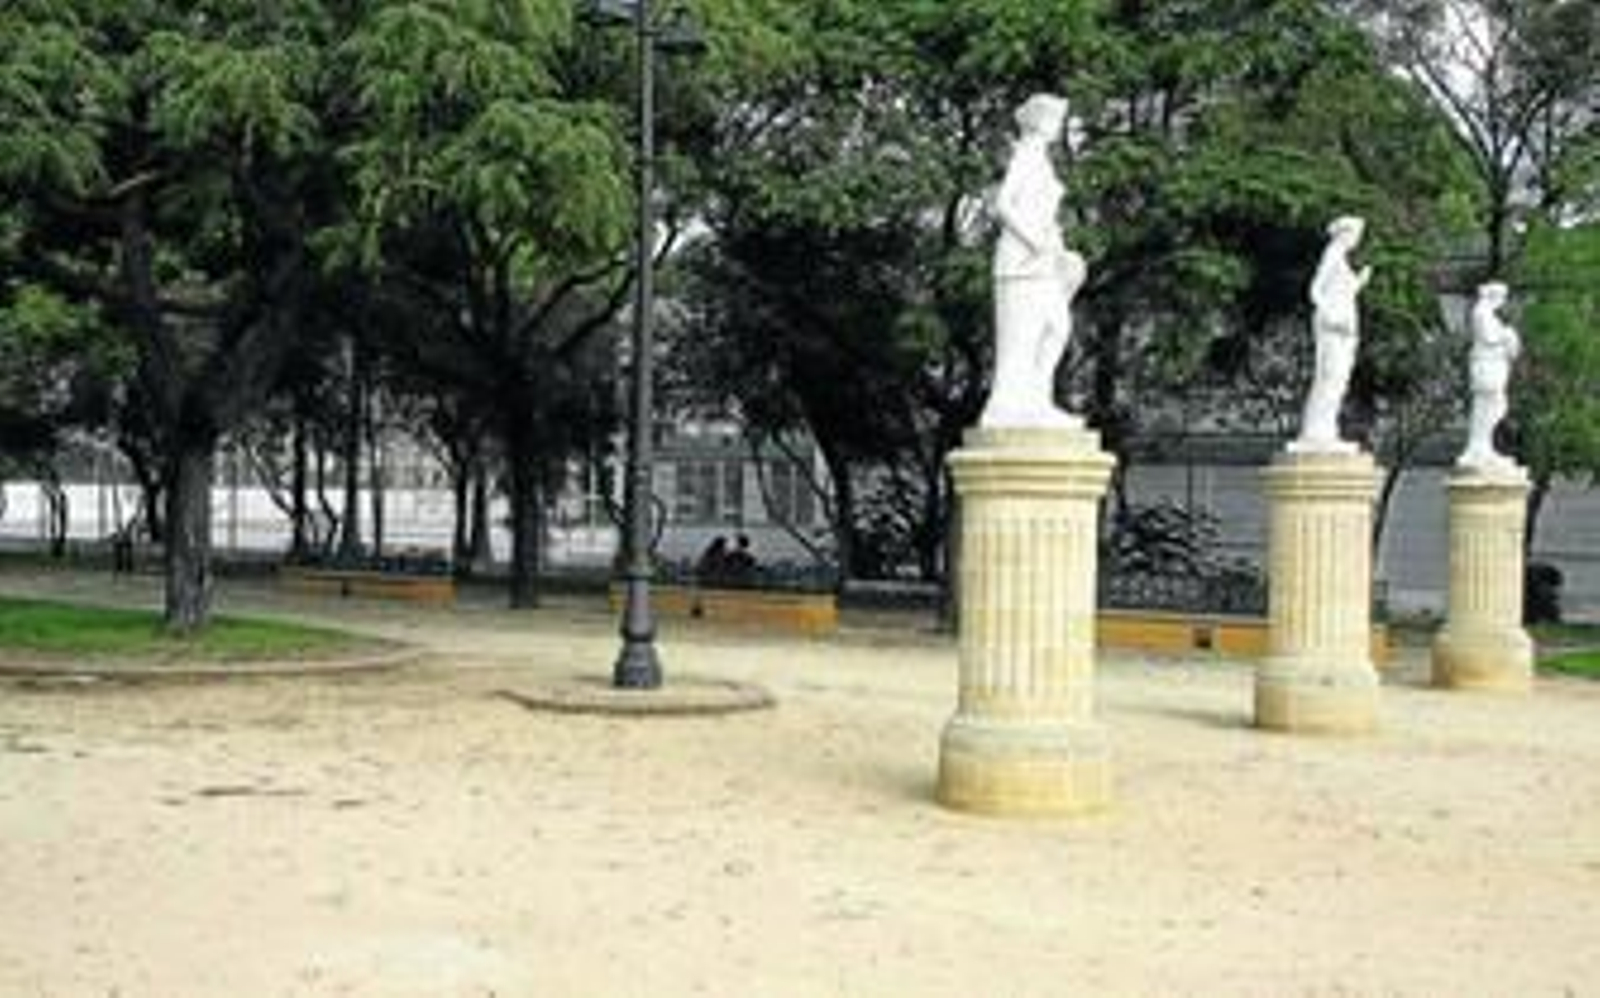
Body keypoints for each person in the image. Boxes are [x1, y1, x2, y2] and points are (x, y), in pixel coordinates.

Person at [980, 92, 1086, 430]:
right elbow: (1003, 205)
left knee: (1056, 327)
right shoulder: (1026, 155)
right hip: (1020, 263)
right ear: (1042, 121)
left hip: (1043, 260)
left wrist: (1057, 250)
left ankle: (1037, 401)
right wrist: (1034, 241)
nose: (1060, 125)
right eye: (1056, 118)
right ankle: (1006, 409)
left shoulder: (1040, 159)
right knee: (1022, 338)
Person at [1294, 215, 1372, 452]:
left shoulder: (1341, 258)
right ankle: (1316, 429)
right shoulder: (1332, 254)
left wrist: (1359, 282)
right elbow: (1316, 290)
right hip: (1334, 328)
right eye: (1356, 235)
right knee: (1329, 376)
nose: (1357, 240)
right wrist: (1332, 318)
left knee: (1338, 379)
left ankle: (1325, 426)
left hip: (1344, 330)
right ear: (1345, 234)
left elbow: (1343, 292)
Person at [1459, 282, 1520, 471]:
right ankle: (1478, 446)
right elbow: (1490, 338)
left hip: (1494, 365)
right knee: (1489, 404)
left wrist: (1509, 339)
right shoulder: (1481, 313)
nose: (1503, 302)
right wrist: (1508, 335)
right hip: (1487, 365)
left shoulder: (1489, 315)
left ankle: (1483, 445)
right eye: (1502, 297)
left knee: (1497, 405)